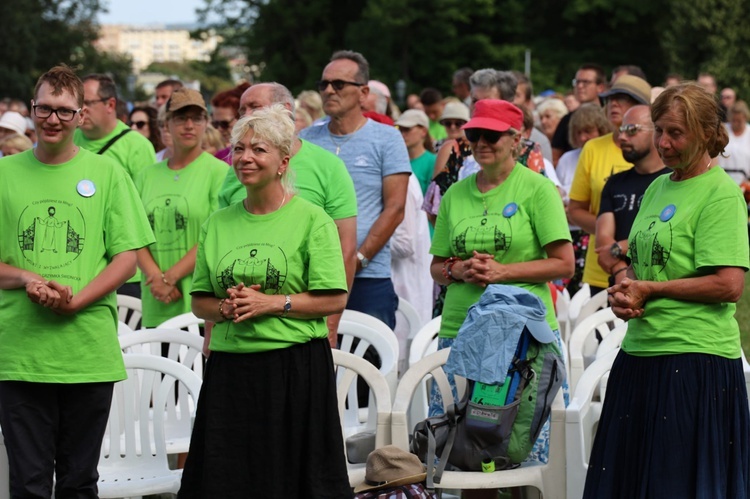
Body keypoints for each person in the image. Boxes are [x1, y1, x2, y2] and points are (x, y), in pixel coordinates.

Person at [584, 82, 750, 498]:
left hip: (694, 361)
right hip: (640, 353)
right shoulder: (659, 186)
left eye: (676, 133)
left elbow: (729, 284)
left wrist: (650, 288)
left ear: (707, 133)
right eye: (659, 130)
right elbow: (644, 263)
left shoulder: (721, 194)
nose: (663, 142)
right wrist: (626, 286)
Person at [178, 104, 351, 498]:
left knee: (291, 481)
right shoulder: (217, 222)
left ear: (282, 162)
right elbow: (200, 301)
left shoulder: (312, 219)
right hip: (231, 370)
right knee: (229, 480)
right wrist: (226, 308)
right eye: (239, 149)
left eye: (259, 149)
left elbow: (334, 298)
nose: (245, 158)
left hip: (293, 370)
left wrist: (272, 303)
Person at [0, 64, 153, 498]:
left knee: (80, 482)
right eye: (44, 108)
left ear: (81, 116)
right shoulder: (4, 174)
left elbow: (127, 259)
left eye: (64, 111)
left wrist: (77, 300)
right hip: (20, 354)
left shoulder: (107, 174)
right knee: (28, 484)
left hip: (86, 352)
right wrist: (28, 277)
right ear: (31, 111)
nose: (53, 119)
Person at [428, 101, 574, 491]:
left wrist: (501, 272)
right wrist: (457, 270)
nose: (480, 143)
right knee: (455, 445)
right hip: (461, 329)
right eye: (473, 135)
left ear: (516, 139)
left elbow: (564, 264)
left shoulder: (537, 189)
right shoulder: (456, 194)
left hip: (523, 337)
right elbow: (437, 264)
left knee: (520, 448)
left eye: (490, 135)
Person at [221, 81, 357, 346]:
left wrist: (330, 324)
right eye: (242, 110)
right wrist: (215, 325)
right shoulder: (236, 170)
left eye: (255, 107)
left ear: (285, 110)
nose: (247, 115)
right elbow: (221, 254)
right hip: (237, 334)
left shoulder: (328, 167)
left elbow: (345, 249)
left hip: (300, 332)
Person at [300, 50, 410, 329]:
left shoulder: (386, 138)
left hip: (368, 276)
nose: (328, 90)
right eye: (323, 84)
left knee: (368, 366)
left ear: (363, 93)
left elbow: (395, 208)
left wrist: (357, 259)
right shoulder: (305, 139)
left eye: (338, 84)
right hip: (309, 274)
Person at [135, 88, 228, 328]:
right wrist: (157, 278)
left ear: (206, 122)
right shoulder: (146, 176)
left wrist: (170, 277)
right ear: (166, 123)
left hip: (199, 306)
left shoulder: (219, 172)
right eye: (180, 118)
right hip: (156, 300)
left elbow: (216, 236)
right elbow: (134, 233)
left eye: (196, 118)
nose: (189, 125)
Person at [568, 75, 652, 295]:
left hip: (649, 265)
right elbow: (575, 210)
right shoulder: (593, 148)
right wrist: (611, 244)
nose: (614, 103)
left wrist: (623, 244)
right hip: (601, 264)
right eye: (610, 98)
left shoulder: (656, 155)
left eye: (623, 98)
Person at [594, 105, 670, 287]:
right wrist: (621, 272)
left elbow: (663, 236)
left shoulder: (673, 181)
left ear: (656, 133)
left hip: (663, 287)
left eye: (632, 130)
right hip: (619, 289)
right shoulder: (615, 183)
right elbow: (603, 238)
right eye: (621, 130)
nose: (621, 137)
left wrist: (619, 248)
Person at [556, 103, 613, 294]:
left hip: (592, 235)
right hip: (570, 233)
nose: (582, 138)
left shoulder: (607, 154)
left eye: (588, 131)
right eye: (578, 132)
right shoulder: (567, 159)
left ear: (602, 129)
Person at [551, 63, 606, 165]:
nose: (580, 86)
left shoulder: (610, 117)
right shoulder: (567, 120)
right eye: (577, 82)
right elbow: (555, 157)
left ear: (600, 87)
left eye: (586, 82)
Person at [395, 109, 435, 195]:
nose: (402, 134)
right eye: (400, 130)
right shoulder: (395, 161)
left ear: (423, 131)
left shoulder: (433, 162)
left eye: (407, 129)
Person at [722, 100, 750, 185]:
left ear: (745, 117)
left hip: (745, 183)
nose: (735, 123)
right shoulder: (723, 130)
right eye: (733, 120)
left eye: (739, 121)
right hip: (722, 180)